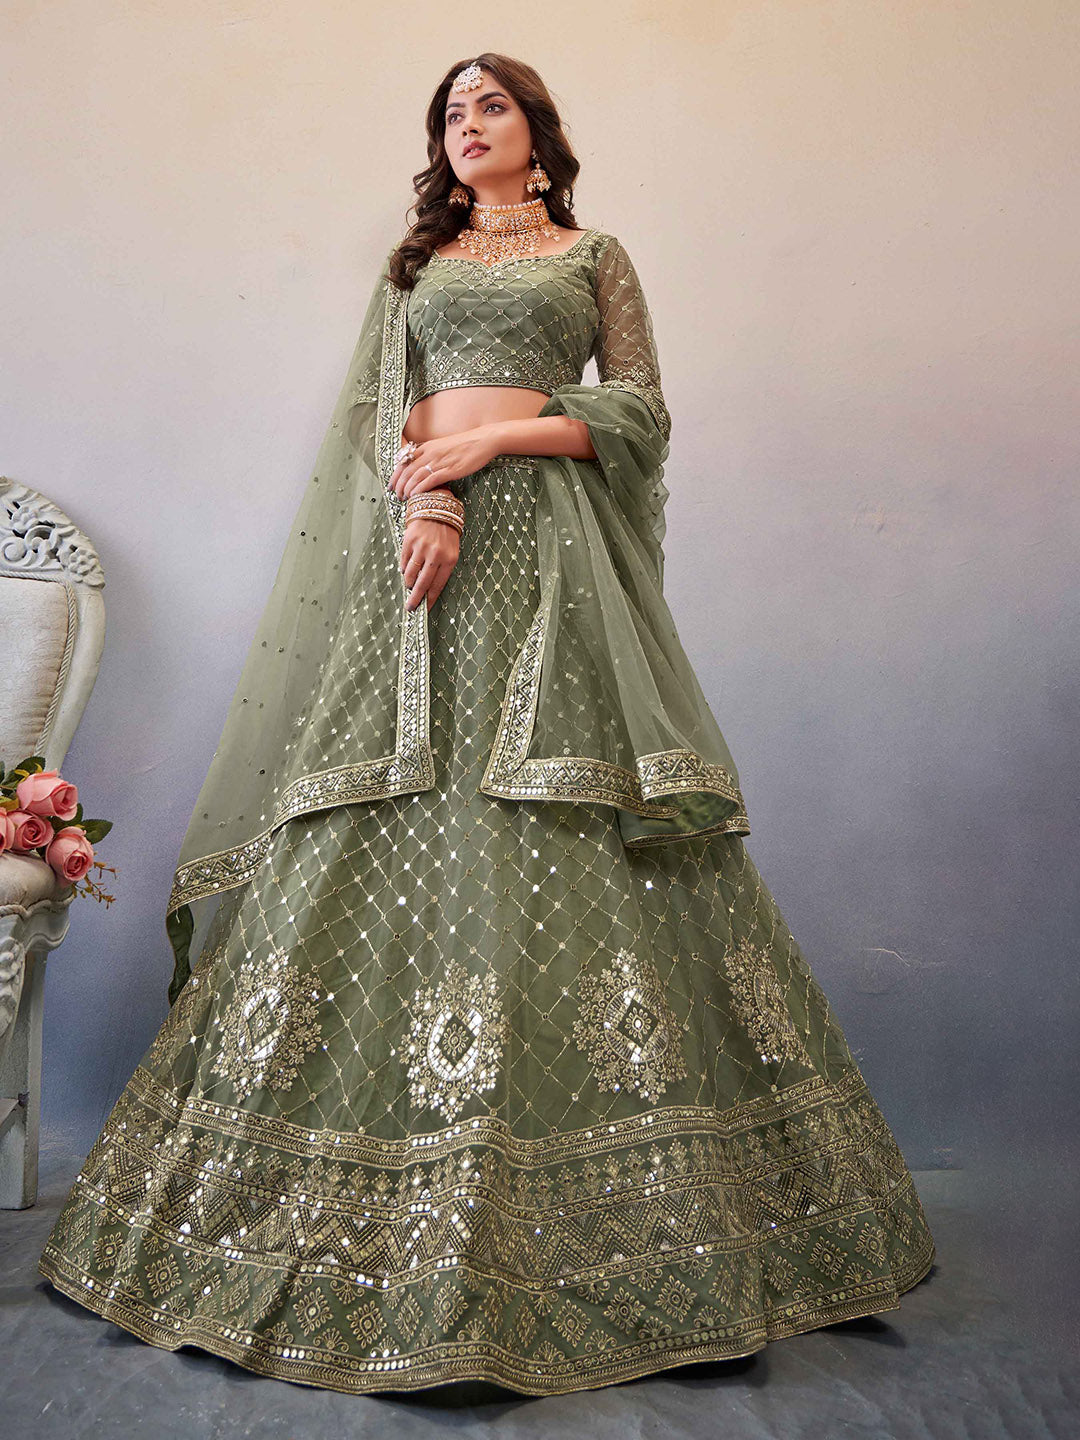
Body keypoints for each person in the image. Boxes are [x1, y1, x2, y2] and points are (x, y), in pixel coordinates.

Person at [38, 53, 935, 1398]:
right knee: (381, 797)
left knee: (562, 804)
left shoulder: (593, 255)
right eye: (451, 113)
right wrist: (434, 494)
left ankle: (643, 1226)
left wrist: (493, 445)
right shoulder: (417, 266)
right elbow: (377, 414)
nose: (469, 125)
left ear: (537, 131)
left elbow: (640, 413)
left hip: (555, 560)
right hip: (426, 558)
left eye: (491, 106)